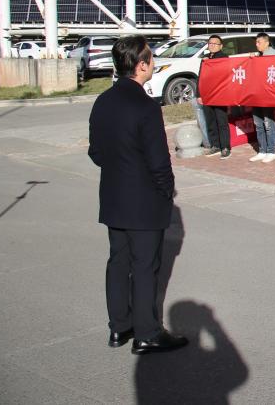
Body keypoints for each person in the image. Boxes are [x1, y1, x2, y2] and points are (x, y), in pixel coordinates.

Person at [89, 35, 188, 354]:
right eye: (151, 58)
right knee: (145, 266)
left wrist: (119, 169)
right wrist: (166, 191)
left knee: (118, 261)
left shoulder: (103, 101)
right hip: (144, 200)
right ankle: (147, 332)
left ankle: (119, 327)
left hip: (114, 195)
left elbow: (96, 152)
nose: (153, 63)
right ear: (142, 65)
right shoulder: (145, 106)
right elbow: (159, 161)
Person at [197, 34, 231, 159]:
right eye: (210, 43)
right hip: (207, 94)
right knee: (210, 121)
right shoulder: (205, 58)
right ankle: (215, 145)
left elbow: (225, 75)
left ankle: (225, 147)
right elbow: (200, 77)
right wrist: (199, 94)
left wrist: (210, 62)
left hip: (220, 95)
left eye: (215, 44)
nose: (212, 46)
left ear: (220, 46)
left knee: (221, 121)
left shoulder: (224, 58)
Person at [249, 33, 275, 163]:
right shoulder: (259, 55)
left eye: (259, 42)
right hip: (256, 94)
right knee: (258, 123)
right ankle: (262, 150)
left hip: (267, 95)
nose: (257, 45)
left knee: (268, 123)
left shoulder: (273, 55)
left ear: (267, 43)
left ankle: (271, 151)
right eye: (256, 42)